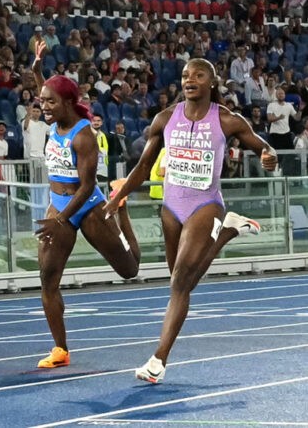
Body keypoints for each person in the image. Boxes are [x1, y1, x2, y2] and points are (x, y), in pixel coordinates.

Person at [104, 58, 277, 383]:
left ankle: (158, 360)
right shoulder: (166, 118)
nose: (189, 79)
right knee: (182, 284)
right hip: (172, 208)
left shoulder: (227, 120)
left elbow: (264, 148)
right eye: (185, 75)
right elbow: (143, 167)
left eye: (198, 75)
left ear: (212, 82)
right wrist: (118, 197)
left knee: (180, 283)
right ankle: (227, 232)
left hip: (205, 205)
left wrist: (269, 158)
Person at [31, 41, 141, 369]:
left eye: (49, 102)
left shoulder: (84, 136)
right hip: (59, 206)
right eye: (42, 101)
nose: (43, 106)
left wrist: (61, 218)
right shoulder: (54, 120)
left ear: (67, 102)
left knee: (129, 270)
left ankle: (121, 207)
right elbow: (45, 90)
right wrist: (38, 67)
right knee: (48, 279)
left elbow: (88, 185)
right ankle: (61, 350)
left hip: (88, 206)